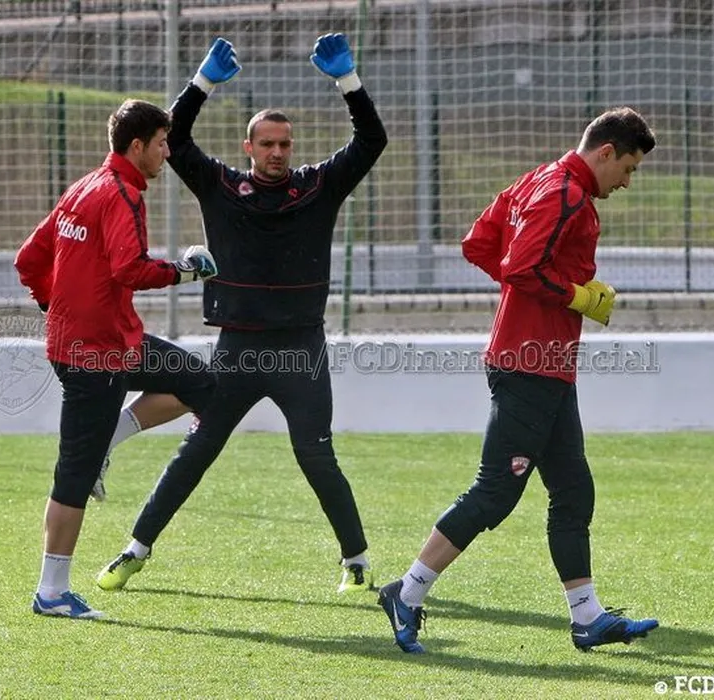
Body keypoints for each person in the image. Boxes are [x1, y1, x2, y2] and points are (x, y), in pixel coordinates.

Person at [93, 33, 388, 594]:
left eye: (285, 143)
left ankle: (356, 561)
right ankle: (134, 551)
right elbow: (175, 138)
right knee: (196, 450)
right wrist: (202, 82)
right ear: (248, 146)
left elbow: (372, 140)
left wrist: (347, 81)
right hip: (238, 349)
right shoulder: (221, 186)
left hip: (301, 350)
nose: (278, 152)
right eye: (267, 144)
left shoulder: (319, 187)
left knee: (317, 457)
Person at [377, 107, 659, 652]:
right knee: (495, 494)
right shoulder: (564, 194)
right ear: (606, 152)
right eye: (628, 168)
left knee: (573, 489)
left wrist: (538, 293)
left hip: (545, 361)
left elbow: (480, 246)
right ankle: (405, 593)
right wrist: (575, 296)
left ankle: (588, 617)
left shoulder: (538, 180)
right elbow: (521, 268)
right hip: (529, 363)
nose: (627, 181)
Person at [14, 98, 220, 619]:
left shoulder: (83, 187)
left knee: (198, 380)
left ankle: (110, 437)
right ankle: (52, 592)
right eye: (161, 144)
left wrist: (53, 306)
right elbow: (130, 269)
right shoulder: (122, 194)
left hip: (106, 344)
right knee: (74, 474)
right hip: (97, 355)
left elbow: (29, 259)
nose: (166, 153)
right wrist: (185, 271)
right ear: (137, 146)